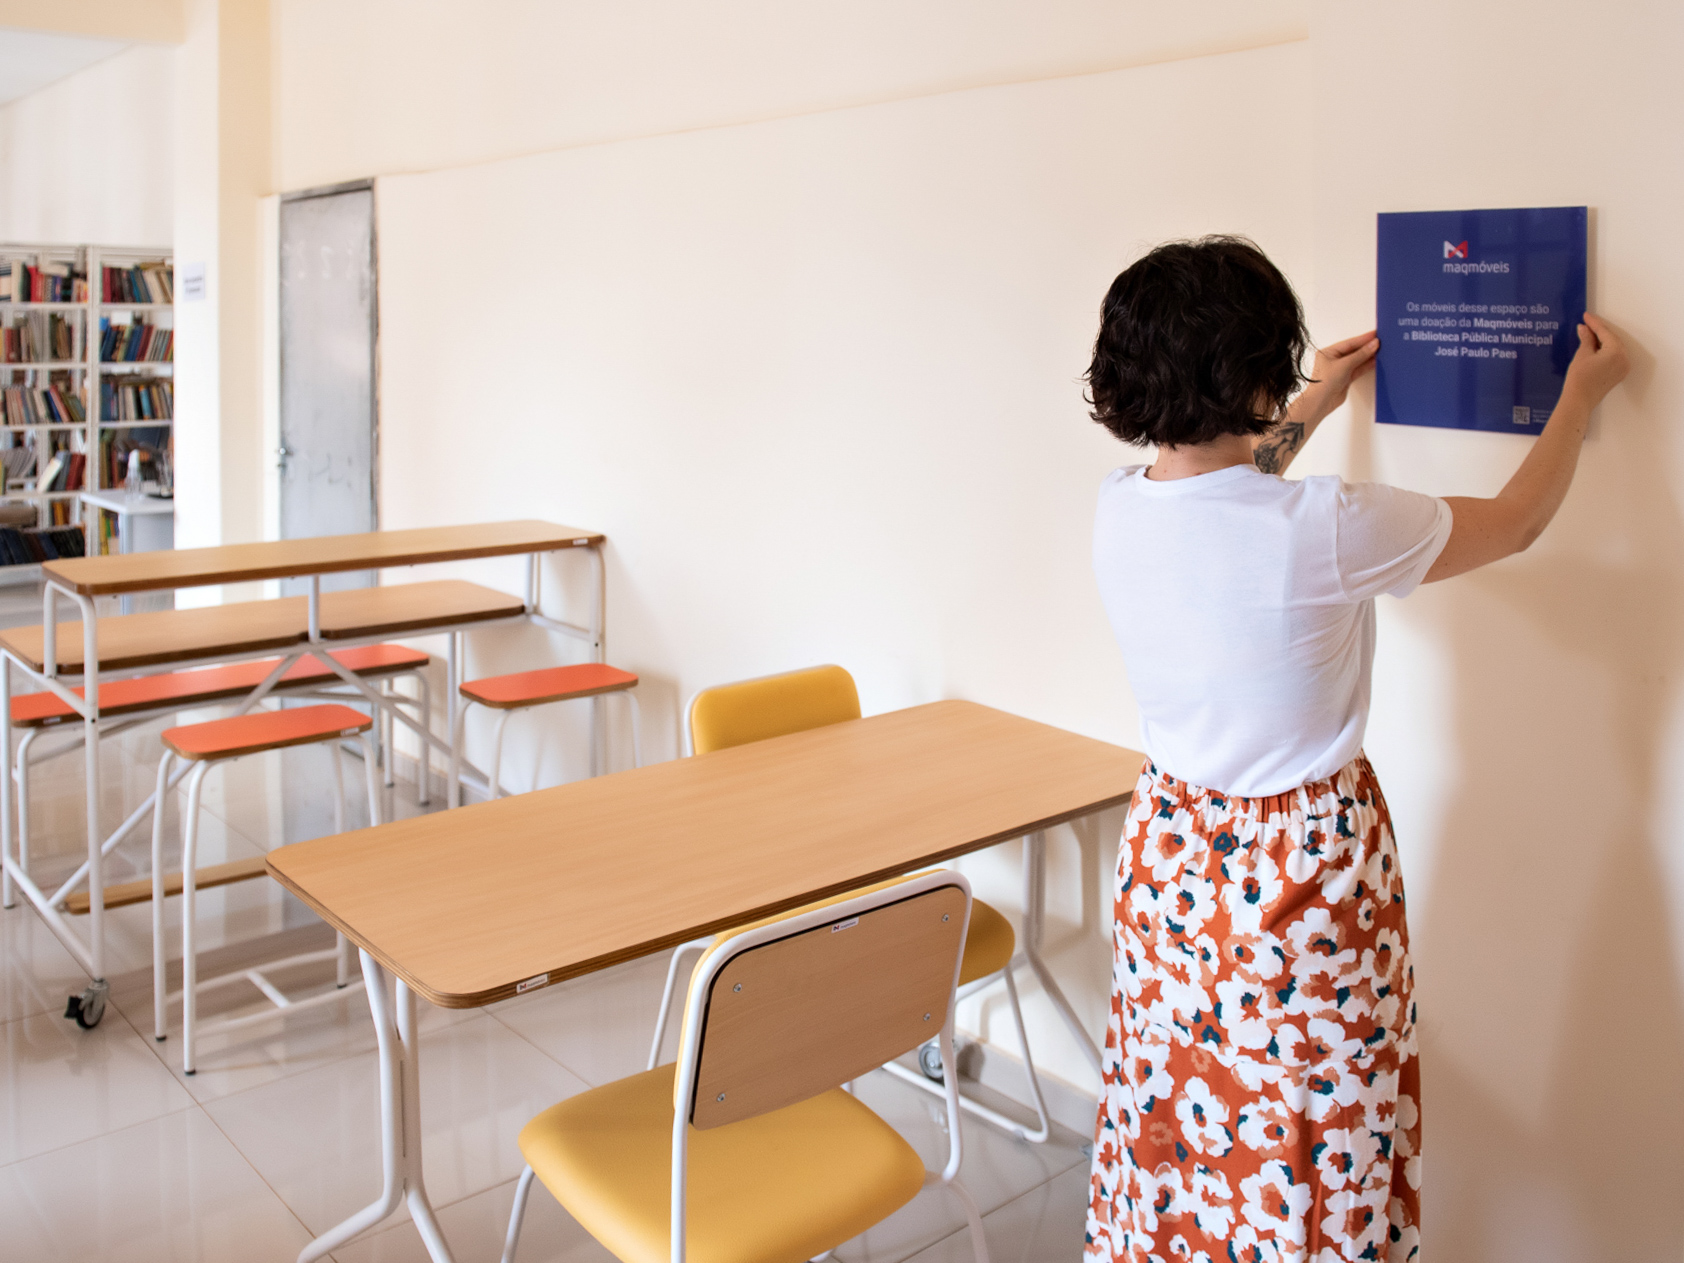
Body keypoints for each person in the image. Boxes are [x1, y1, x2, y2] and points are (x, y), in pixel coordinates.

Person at [1081, 236, 1627, 1261]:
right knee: (1311, 1127)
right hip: (1300, 873)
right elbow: (1514, 523)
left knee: (1185, 1111)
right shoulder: (1325, 525)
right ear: (1254, 369)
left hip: (1169, 861)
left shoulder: (1121, 505)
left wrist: (1318, 403)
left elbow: (1227, 491)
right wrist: (1580, 398)